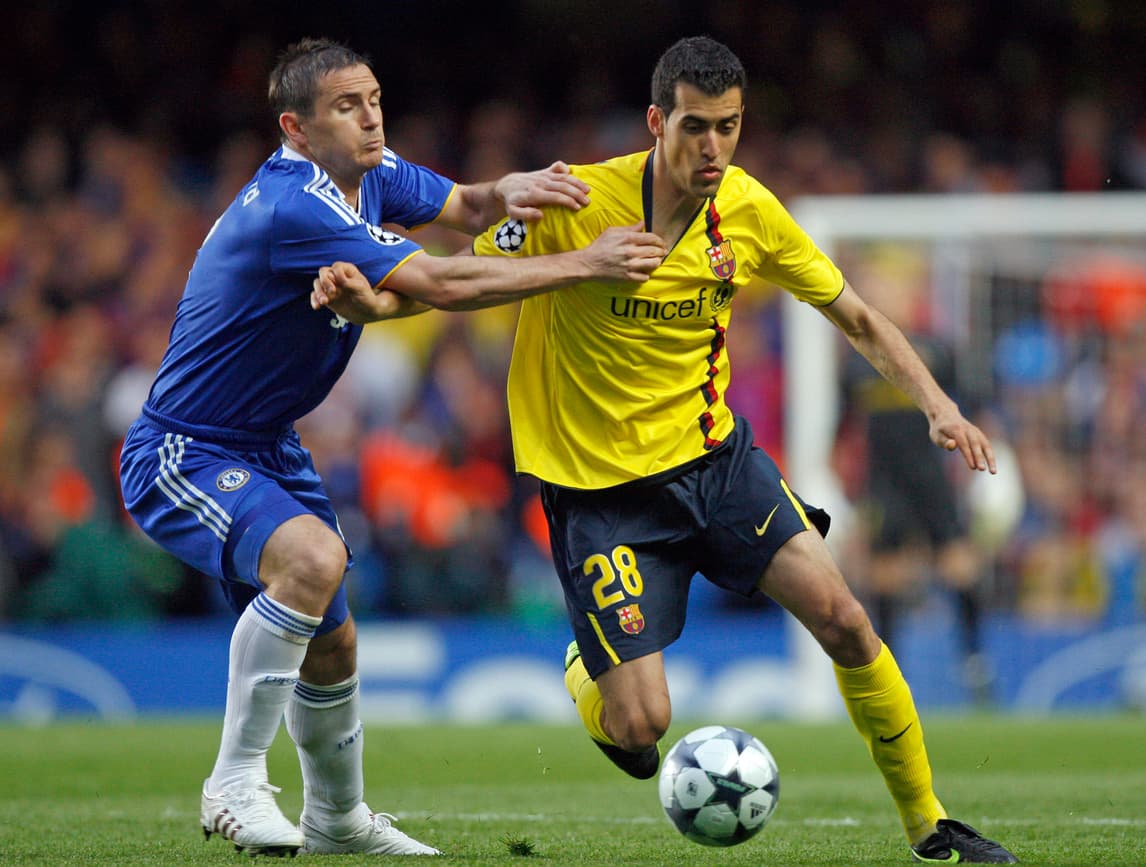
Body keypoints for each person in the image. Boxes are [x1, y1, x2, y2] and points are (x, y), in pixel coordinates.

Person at [317, 35, 1018, 862]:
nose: (712, 146)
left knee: (846, 618)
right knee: (641, 728)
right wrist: (373, 308)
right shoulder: (575, 201)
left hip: (716, 464)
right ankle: (590, 667)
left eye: (728, 126)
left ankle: (930, 825)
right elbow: (462, 274)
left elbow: (858, 315)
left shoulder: (752, 214)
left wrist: (938, 406)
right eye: (694, 126)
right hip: (600, 495)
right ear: (657, 121)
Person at [119, 37, 663, 858]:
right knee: (311, 560)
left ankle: (336, 820)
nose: (371, 115)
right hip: (185, 446)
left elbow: (472, 208)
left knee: (332, 635)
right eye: (347, 105)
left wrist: (506, 189)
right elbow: (441, 283)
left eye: (373, 98)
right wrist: (584, 263)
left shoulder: (374, 173)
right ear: (295, 127)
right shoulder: (293, 202)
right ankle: (234, 784)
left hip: (268, 443)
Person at [838, 249, 996, 705]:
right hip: (882, 482)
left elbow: (974, 411)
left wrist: (980, 473)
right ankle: (892, 679)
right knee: (884, 577)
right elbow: (842, 427)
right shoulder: (855, 361)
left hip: (932, 477)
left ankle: (975, 662)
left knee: (959, 566)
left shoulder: (937, 351)